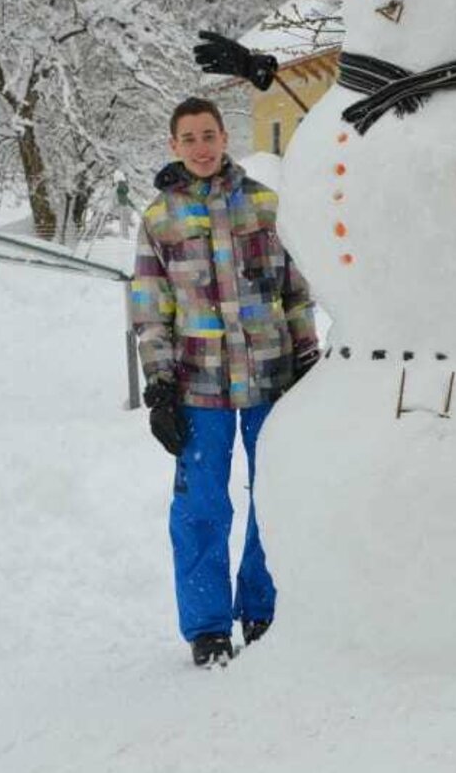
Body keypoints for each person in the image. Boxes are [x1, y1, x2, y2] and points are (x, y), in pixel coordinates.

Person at [131, 97, 319, 667]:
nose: (201, 147)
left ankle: (263, 609)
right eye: (189, 138)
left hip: (271, 377)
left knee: (275, 496)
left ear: (223, 136)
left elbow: (296, 291)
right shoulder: (159, 219)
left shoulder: (265, 205)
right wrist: (160, 383)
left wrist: (307, 359)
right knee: (201, 506)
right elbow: (150, 308)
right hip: (197, 388)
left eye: (209, 134)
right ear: (174, 146)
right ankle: (209, 625)